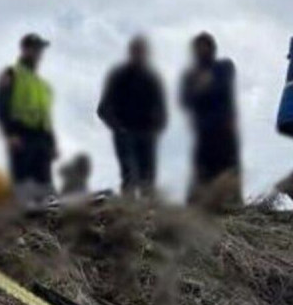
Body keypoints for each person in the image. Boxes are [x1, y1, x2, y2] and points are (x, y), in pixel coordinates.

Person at [97, 36, 167, 197]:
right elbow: (103, 108)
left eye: (142, 51)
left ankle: (149, 210)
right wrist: (118, 128)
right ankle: (127, 208)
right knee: (129, 175)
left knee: (147, 178)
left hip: (147, 135)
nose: (139, 55)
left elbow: (161, 108)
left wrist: (155, 128)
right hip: (125, 134)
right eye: (136, 51)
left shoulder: (152, 79)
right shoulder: (119, 76)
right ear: (130, 52)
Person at [180, 32, 241, 206]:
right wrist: (202, 87)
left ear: (212, 48)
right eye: (198, 48)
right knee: (202, 173)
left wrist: (205, 87)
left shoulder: (224, 66)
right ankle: (197, 207)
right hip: (203, 131)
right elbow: (186, 100)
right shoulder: (191, 75)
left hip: (224, 129)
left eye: (204, 46)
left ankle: (233, 205)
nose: (201, 51)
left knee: (228, 171)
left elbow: (223, 87)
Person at [0, 33, 57, 194]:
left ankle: (47, 207)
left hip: (41, 140)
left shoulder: (42, 84)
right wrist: (9, 133)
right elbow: (1, 104)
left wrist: (52, 143)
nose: (39, 53)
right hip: (21, 136)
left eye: (40, 50)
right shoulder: (12, 73)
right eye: (35, 49)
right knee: (22, 185)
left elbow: (46, 117)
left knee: (45, 187)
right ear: (25, 50)